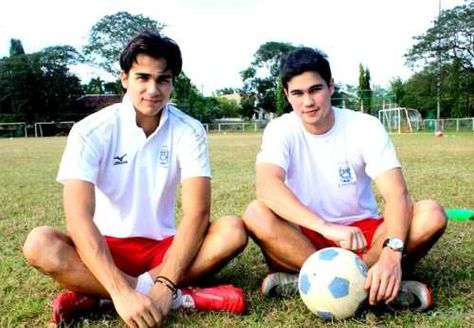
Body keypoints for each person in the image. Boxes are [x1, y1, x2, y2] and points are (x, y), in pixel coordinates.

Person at [22, 30, 248, 327]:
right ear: (125, 78)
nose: (153, 90)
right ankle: (178, 297)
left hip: (164, 250)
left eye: (163, 79)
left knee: (232, 229)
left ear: (172, 83)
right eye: (143, 77)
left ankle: (97, 297)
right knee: (39, 243)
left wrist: (165, 283)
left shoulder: (189, 130)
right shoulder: (91, 131)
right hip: (106, 250)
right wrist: (120, 290)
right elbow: (78, 217)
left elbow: (197, 213)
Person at [243, 47, 447, 312]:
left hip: (366, 237)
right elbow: (268, 188)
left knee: (430, 213)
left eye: (315, 89)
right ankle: (371, 288)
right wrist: (326, 227)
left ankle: (329, 281)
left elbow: (397, 194)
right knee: (255, 213)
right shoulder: (281, 128)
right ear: (286, 95)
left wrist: (391, 252)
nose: (308, 102)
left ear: (330, 86)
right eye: (297, 93)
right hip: (309, 236)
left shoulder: (364, 125)